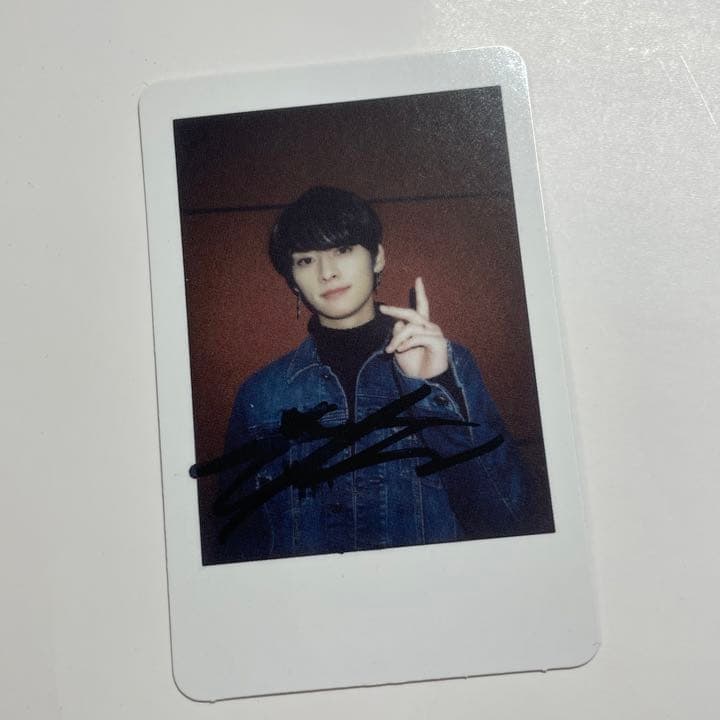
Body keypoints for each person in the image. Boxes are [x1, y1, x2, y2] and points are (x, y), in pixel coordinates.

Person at [214, 186, 534, 562]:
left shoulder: (448, 364)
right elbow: (236, 546)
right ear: (293, 279)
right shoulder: (260, 395)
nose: (327, 272)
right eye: (306, 260)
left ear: (377, 257)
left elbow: (506, 518)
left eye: (343, 249)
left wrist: (435, 387)